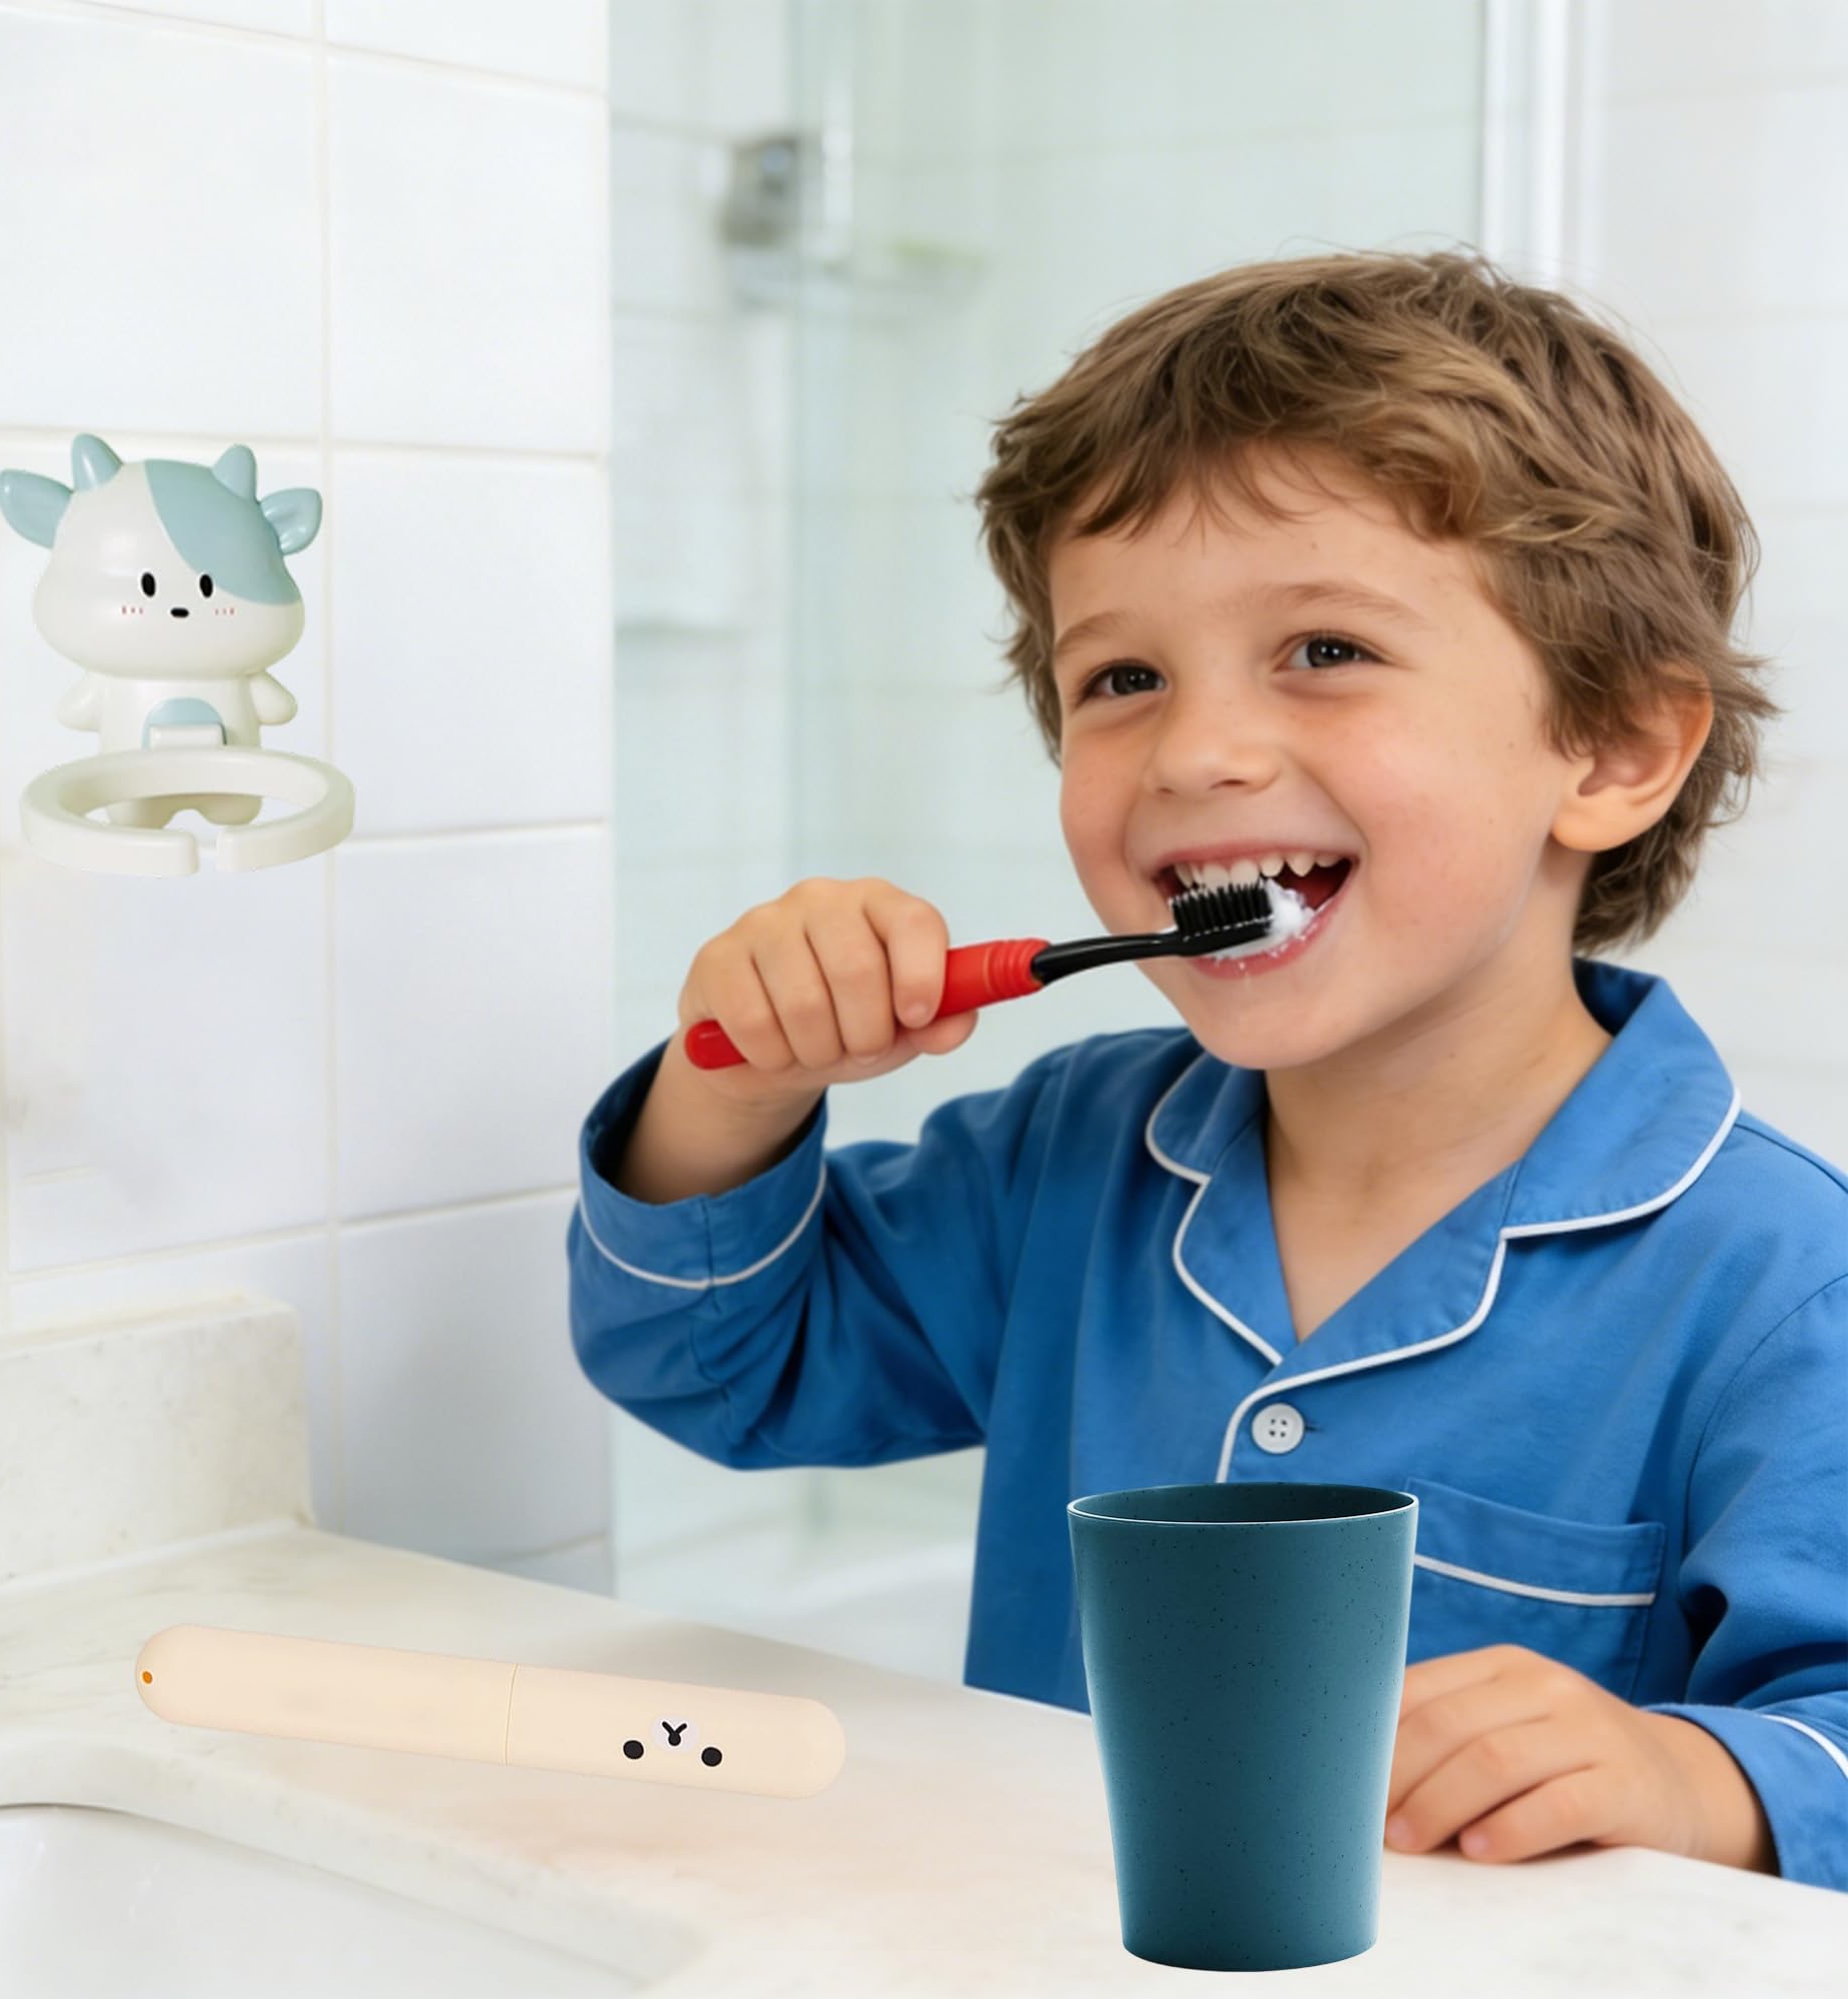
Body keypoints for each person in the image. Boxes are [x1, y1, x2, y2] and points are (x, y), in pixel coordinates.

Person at [566, 250, 1846, 1889]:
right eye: (1122, 678)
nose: (1193, 752)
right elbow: (718, 1367)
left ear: (1609, 751)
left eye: (1323, 649)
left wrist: (1693, 1779)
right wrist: (733, 1087)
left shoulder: (1783, 1287)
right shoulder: (1063, 1158)